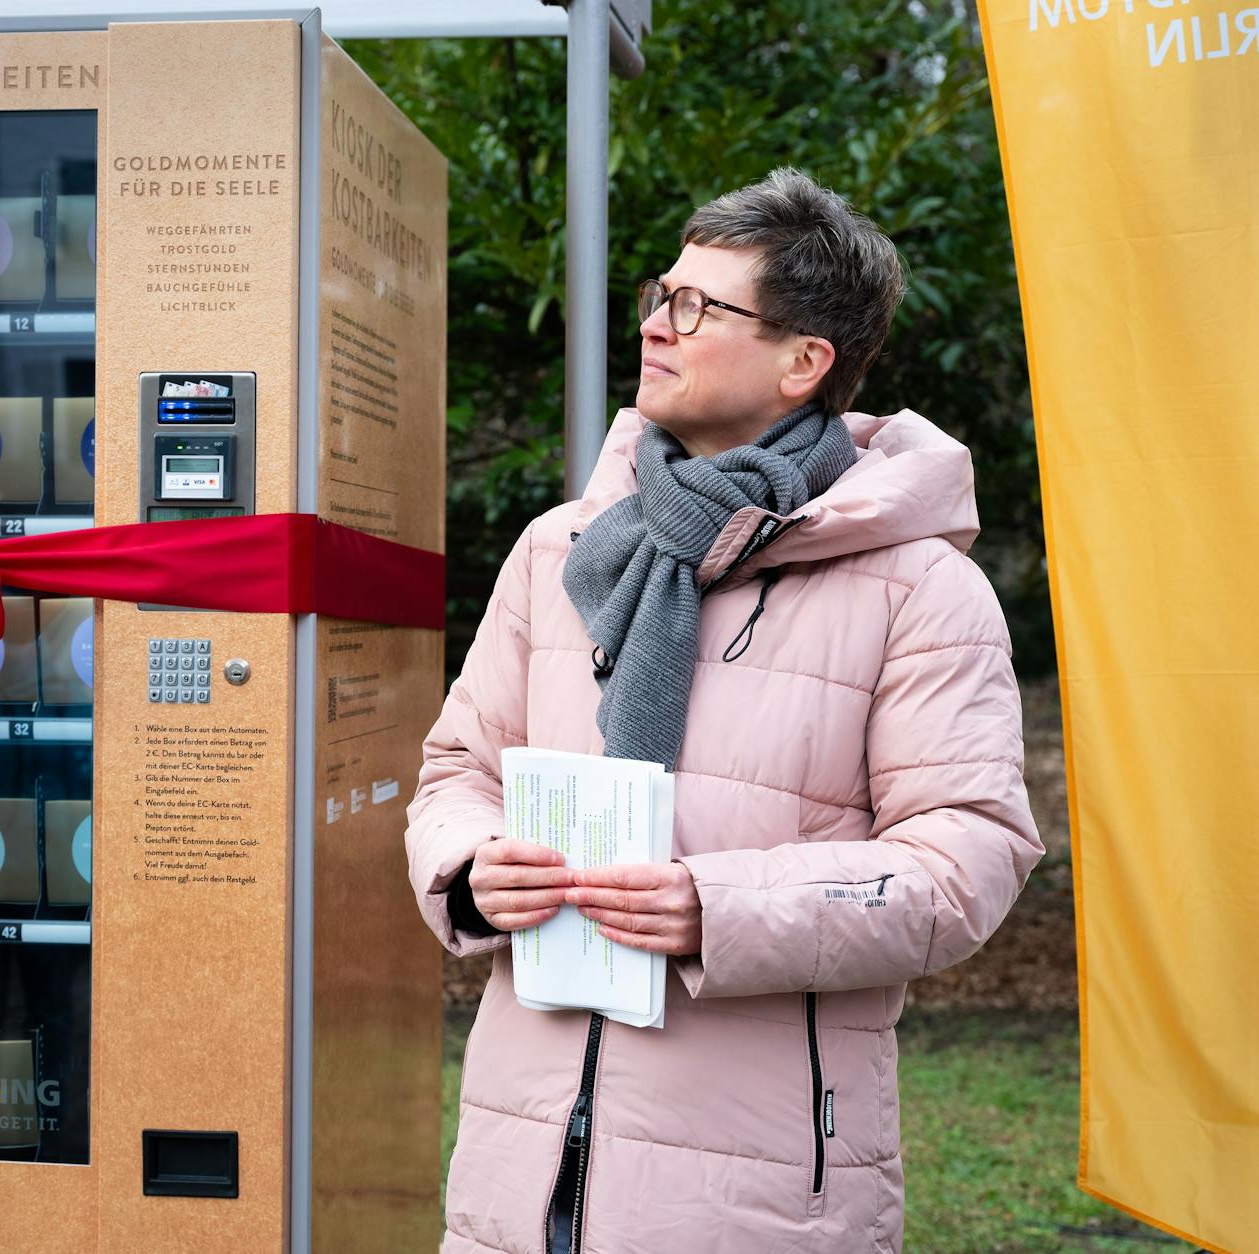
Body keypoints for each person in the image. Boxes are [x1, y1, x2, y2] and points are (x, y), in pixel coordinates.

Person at [406, 167, 1043, 1253]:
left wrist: (720, 907)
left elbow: (965, 859)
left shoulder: (918, 587)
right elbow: (456, 769)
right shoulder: (561, 548)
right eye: (661, 294)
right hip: (521, 1169)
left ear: (805, 362)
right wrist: (472, 864)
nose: (657, 324)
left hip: (753, 1201)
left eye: (698, 307)